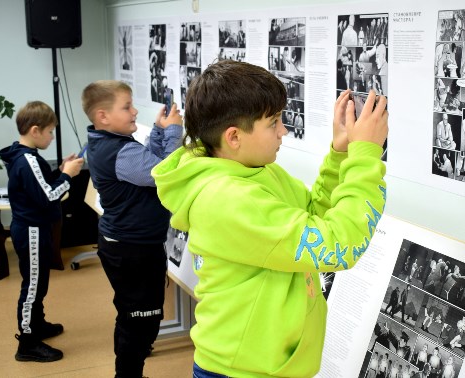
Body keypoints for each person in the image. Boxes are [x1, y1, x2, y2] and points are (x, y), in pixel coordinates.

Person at [151, 60, 388, 377]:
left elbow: (313, 214)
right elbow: (338, 245)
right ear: (234, 137)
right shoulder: (228, 199)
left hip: (266, 365)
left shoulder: (259, 171)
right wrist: (366, 155)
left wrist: (341, 154)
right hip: (243, 371)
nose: (283, 131)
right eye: (273, 122)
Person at [81, 80, 183, 377]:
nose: (134, 110)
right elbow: (167, 173)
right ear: (103, 116)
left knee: (133, 316)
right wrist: (175, 131)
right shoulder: (118, 152)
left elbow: (146, 162)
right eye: (126, 107)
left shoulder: (109, 143)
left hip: (127, 244)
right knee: (139, 320)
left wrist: (160, 129)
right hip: (132, 249)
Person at [0, 101, 85, 362]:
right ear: (35, 130)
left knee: (39, 283)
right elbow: (49, 197)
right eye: (50, 132)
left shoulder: (25, 155)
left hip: (33, 229)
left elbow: (39, 187)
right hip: (32, 231)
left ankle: (37, 324)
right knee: (33, 286)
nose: (52, 136)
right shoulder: (27, 160)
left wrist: (59, 171)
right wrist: (69, 176)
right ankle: (27, 343)